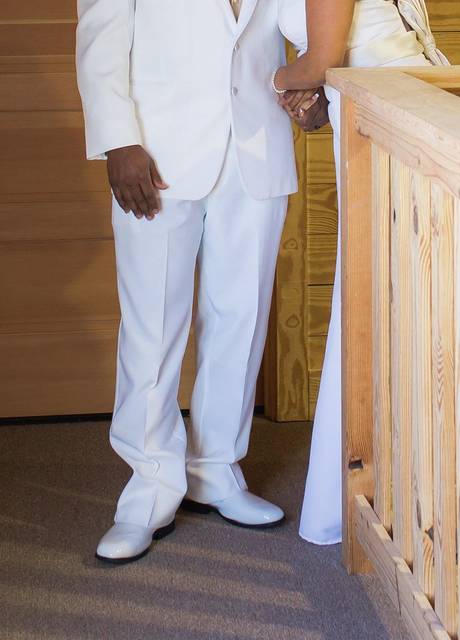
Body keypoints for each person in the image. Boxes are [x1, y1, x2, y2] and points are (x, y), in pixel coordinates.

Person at [76, 0, 297, 563]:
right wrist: (116, 139)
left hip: (256, 142)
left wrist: (316, 85)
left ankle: (216, 468)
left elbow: (302, 20)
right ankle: (148, 487)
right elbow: (100, 33)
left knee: (241, 316)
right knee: (153, 324)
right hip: (154, 151)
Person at [274, 0, 448, 545]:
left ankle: (412, 490)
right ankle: (418, 484)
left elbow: (322, 57)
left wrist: (281, 80)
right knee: (412, 289)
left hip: (387, 117)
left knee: (389, 292)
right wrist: (319, 92)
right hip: (395, 102)